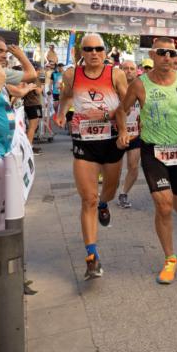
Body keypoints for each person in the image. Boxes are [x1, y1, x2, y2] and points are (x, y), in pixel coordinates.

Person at [115, 37, 177, 284]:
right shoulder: (140, 85)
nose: (168, 57)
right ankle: (170, 258)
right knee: (163, 204)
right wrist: (123, 131)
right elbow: (122, 110)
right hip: (152, 150)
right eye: (162, 52)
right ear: (153, 55)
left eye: (171, 52)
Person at [54, 34, 128, 280]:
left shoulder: (115, 74)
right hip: (84, 142)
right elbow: (65, 97)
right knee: (88, 199)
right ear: (81, 51)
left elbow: (127, 105)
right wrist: (61, 114)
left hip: (111, 141)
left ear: (105, 51)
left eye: (99, 48)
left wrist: (115, 123)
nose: (94, 53)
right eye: (89, 49)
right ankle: (92, 257)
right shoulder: (71, 75)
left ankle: (106, 205)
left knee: (108, 192)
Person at [116, 60, 142, 209]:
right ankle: (108, 190)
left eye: (132, 68)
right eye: (125, 68)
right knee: (114, 169)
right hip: (116, 134)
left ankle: (123, 193)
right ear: (120, 70)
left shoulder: (141, 87)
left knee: (133, 166)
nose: (129, 71)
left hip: (135, 134)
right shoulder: (114, 87)